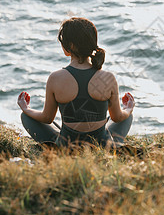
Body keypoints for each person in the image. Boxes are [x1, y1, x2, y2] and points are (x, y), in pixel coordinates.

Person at [17, 17, 135, 148]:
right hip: (102, 145)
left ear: (69, 46)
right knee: (127, 116)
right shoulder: (108, 77)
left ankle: (57, 147)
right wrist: (129, 108)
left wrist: (26, 108)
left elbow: (47, 118)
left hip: (67, 146)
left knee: (26, 117)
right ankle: (115, 145)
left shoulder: (55, 78)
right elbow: (117, 117)